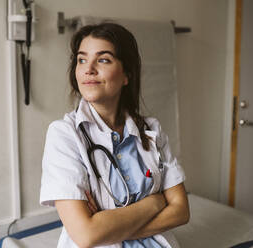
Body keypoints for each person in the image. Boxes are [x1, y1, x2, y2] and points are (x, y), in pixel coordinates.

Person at [40, 22, 189, 248]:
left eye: (103, 59)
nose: (88, 69)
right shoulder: (64, 134)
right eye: (82, 60)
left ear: (126, 74)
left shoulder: (151, 130)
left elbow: (181, 211)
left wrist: (109, 226)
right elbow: (86, 235)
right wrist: (155, 203)